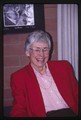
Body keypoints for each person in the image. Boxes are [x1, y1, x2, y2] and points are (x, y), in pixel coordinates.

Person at [10, 30, 78, 117]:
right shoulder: (19, 78)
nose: (41, 54)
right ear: (27, 52)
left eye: (45, 49)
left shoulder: (64, 67)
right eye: (37, 50)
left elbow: (77, 94)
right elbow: (19, 109)